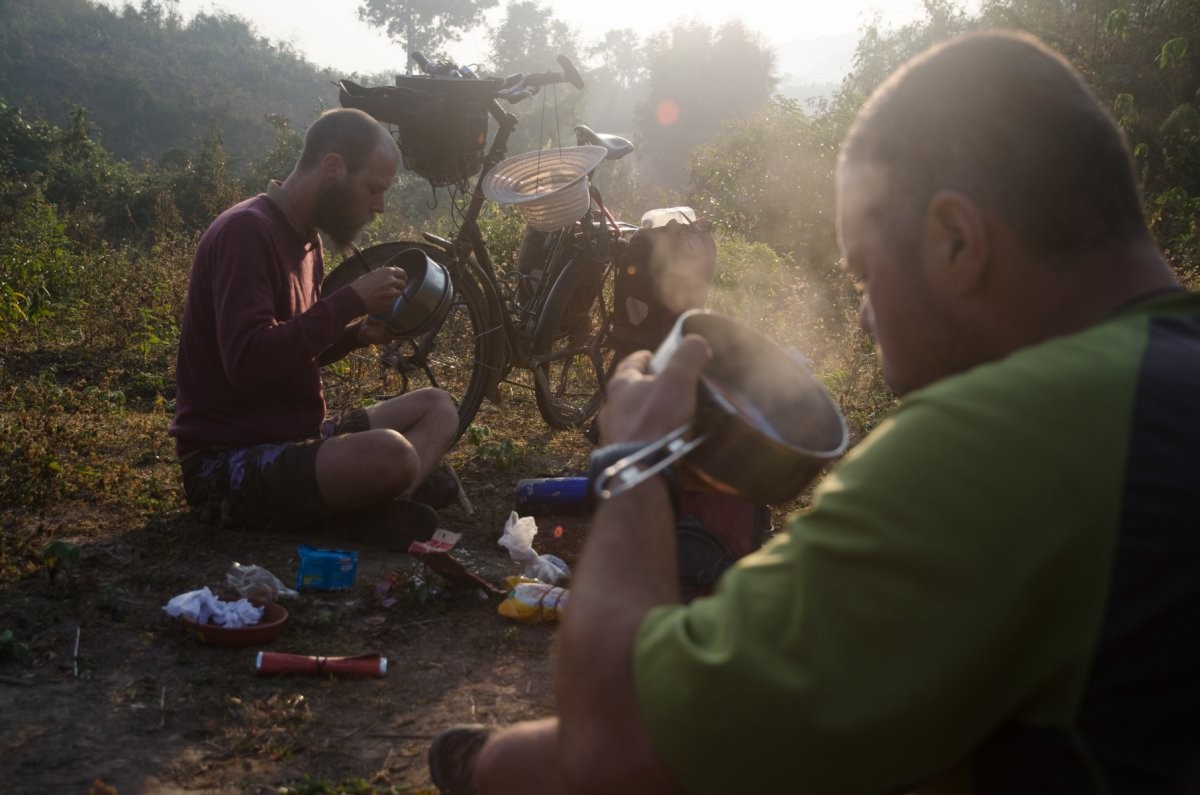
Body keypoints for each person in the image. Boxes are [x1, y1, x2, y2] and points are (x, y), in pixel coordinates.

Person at [425, 29, 1200, 793]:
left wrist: (635, 457)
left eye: (864, 275)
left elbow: (611, 745)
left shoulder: (999, 444)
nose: (863, 318)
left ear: (957, 241)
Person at [169, 108, 459, 542]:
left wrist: (355, 335)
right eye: (374, 189)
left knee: (438, 406)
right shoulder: (246, 233)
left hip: (297, 437)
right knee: (394, 456)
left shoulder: (308, 241)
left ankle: (370, 505)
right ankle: (367, 505)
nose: (378, 206)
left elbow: (291, 348)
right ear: (333, 168)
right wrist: (349, 301)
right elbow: (247, 361)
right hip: (228, 462)